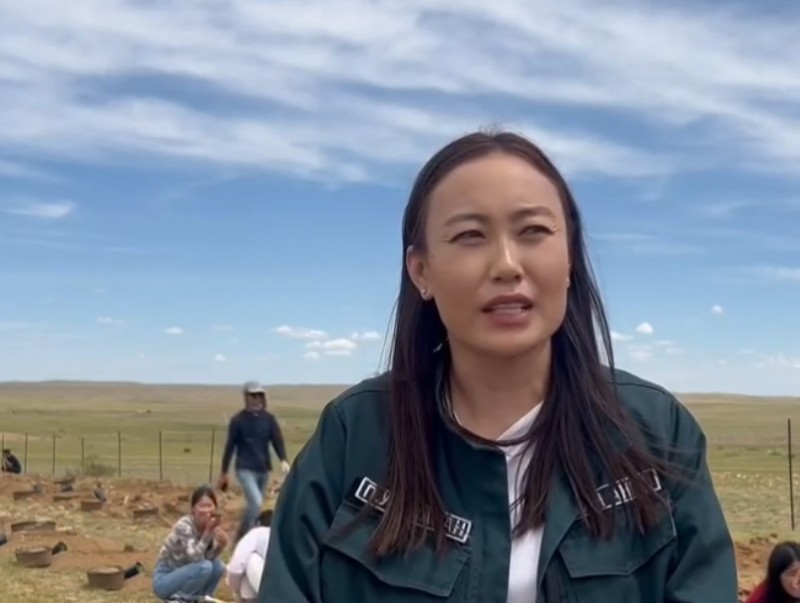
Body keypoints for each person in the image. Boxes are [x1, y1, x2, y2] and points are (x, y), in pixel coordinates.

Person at [258, 130, 738, 603]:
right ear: (421, 271)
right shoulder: (353, 437)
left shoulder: (654, 431)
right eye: (470, 235)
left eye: (533, 231)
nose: (507, 264)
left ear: (570, 257)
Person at [217, 380, 290, 542]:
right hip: (244, 469)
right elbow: (230, 446)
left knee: (255, 506)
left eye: (259, 395)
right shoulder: (237, 420)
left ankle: (242, 535)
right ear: (246, 397)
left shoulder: (269, 419)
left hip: (263, 469)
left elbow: (277, 440)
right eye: (253, 395)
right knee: (256, 503)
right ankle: (247, 538)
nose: (257, 398)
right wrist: (224, 472)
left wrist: (283, 459)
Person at [152, 484, 230, 602]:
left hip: (186, 573)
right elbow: (196, 559)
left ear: (215, 508)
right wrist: (208, 532)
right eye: (202, 506)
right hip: (165, 579)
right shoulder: (184, 526)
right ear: (193, 509)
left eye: (209, 506)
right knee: (205, 567)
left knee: (218, 566)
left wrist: (221, 546)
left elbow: (207, 558)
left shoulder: (211, 527)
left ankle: (204, 598)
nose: (206, 510)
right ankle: (180, 599)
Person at [226, 510, 273, 603]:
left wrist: (235, 589)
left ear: (258, 523)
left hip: (273, 590)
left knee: (250, 558)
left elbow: (236, 567)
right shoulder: (285, 534)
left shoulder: (257, 532)